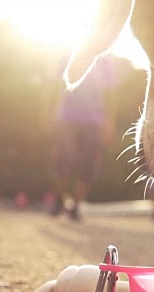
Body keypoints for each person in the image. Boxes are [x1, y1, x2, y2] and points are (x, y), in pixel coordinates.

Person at [43, 55, 122, 221]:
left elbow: (112, 94)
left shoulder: (105, 61)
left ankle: (76, 205)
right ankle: (59, 198)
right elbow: (53, 85)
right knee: (63, 159)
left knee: (89, 164)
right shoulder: (66, 55)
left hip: (94, 119)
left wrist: (110, 122)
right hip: (66, 116)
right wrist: (47, 112)